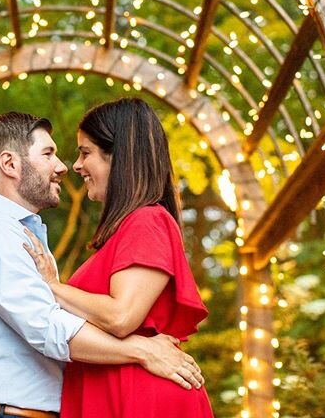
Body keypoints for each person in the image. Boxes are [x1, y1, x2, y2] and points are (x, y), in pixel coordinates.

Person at [0, 111, 204, 418]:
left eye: (83, 153)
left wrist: (56, 289)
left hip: (116, 400)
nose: (64, 166)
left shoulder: (23, 235)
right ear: (10, 164)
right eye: (48, 154)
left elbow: (112, 315)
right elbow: (46, 326)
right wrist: (142, 350)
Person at [24, 98, 214, 417]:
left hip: (139, 398)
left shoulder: (147, 221)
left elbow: (121, 317)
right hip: (117, 390)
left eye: (86, 153)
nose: (76, 165)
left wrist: (52, 286)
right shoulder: (124, 230)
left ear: (119, 157)